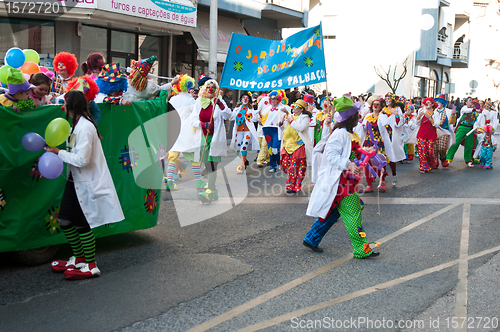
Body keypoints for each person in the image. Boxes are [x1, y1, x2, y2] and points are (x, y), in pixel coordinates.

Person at [45, 90, 124, 279]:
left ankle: (91, 264)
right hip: (75, 181)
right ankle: (80, 258)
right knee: (64, 220)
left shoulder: (85, 127)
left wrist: (58, 153)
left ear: (71, 106)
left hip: (86, 182)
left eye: (65, 103)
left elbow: (82, 160)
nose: (63, 107)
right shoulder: (75, 125)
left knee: (82, 223)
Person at [305, 96, 379, 258]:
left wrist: (362, 155)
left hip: (347, 181)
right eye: (356, 115)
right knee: (354, 214)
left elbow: (351, 152)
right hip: (341, 183)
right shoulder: (340, 134)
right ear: (351, 117)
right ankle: (361, 249)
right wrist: (349, 164)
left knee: (333, 212)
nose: (359, 117)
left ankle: (312, 238)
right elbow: (331, 155)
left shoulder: (348, 133)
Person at [191, 79, 232, 202]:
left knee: (212, 164)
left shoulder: (219, 102)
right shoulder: (199, 101)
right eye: (209, 87)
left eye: (213, 88)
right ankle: (213, 191)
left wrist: (220, 104)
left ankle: (209, 191)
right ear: (204, 88)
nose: (211, 89)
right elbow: (192, 119)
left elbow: (228, 115)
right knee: (207, 164)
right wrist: (202, 124)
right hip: (204, 137)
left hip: (216, 138)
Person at [280, 99, 313, 193]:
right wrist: (282, 122)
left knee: (295, 167)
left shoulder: (305, 117)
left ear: (301, 109)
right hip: (287, 145)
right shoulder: (291, 116)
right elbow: (284, 128)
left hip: (298, 146)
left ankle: (292, 186)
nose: (293, 108)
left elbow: (301, 128)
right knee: (284, 164)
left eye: (296, 107)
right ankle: (293, 183)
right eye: (293, 106)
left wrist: (291, 121)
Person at [362, 95, 388, 192]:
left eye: (378, 104)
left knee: (380, 161)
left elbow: (386, 124)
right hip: (368, 141)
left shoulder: (382, 116)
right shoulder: (368, 117)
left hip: (378, 142)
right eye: (374, 104)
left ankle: (382, 182)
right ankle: (369, 185)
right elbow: (362, 128)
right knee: (366, 163)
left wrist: (382, 115)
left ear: (380, 107)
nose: (375, 106)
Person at [380, 92, 406, 186]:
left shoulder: (397, 109)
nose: (387, 101)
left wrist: (396, 115)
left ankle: (394, 175)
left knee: (392, 157)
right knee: (383, 156)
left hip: (392, 136)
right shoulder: (383, 110)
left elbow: (399, 124)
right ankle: (382, 178)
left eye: (389, 99)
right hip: (383, 136)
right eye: (386, 99)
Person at [259, 90, 287, 172]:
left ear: (278, 99)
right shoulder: (267, 108)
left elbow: (287, 116)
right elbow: (262, 119)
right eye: (271, 99)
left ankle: (279, 162)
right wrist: (260, 118)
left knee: (275, 148)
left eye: (275, 99)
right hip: (267, 129)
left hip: (276, 129)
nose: (273, 100)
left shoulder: (281, 108)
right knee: (270, 149)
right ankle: (272, 166)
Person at [446, 97, 479, 167]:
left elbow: (476, 120)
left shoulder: (475, 112)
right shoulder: (464, 108)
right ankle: (448, 158)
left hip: (470, 128)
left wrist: (476, 127)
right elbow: (467, 111)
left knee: (469, 144)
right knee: (456, 142)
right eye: (469, 101)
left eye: (472, 101)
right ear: (466, 102)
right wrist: (474, 109)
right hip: (462, 127)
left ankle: (468, 160)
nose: (471, 102)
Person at [414, 97, 439, 173]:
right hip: (421, 134)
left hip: (431, 135)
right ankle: (423, 166)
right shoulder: (421, 111)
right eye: (426, 102)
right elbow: (416, 123)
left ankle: (432, 163)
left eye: (429, 102)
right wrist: (418, 117)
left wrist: (430, 118)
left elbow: (437, 124)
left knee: (430, 151)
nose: (427, 104)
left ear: (432, 104)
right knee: (422, 151)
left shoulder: (435, 113)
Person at [433, 95, 456, 168]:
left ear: (443, 103)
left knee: (442, 148)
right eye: (436, 102)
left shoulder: (448, 111)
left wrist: (452, 115)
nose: (437, 103)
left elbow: (452, 122)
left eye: (439, 102)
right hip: (434, 131)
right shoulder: (433, 111)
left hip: (444, 131)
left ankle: (443, 159)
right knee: (434, 148)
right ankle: (435, 161)